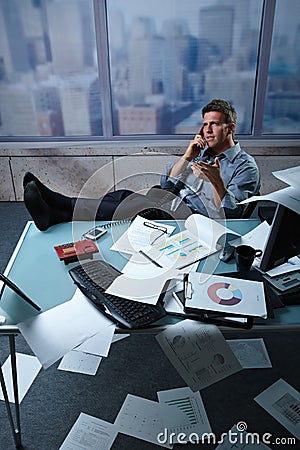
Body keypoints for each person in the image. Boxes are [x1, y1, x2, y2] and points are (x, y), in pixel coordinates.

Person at [23, 99, 260, 231]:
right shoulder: (203, 153)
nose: (207, 129)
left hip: (192, 218)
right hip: (168, 200)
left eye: (214, 124)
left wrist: (216, 181)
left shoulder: (245, 167)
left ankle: (60, 203)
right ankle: (56, 215)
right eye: (205, 124)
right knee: (122, 196)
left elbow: (233, 214)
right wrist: (187, 156)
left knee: (137, 207)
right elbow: (166, 183)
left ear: (230, 128)